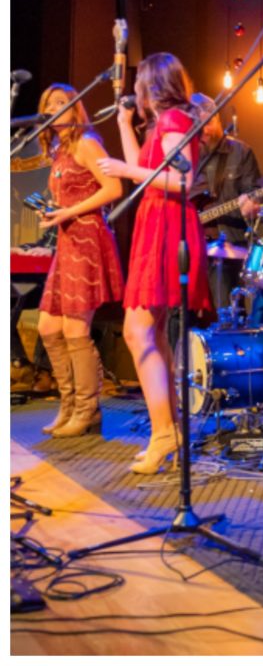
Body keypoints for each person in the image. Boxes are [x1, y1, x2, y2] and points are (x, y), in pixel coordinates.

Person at [98, 53, 212, 474]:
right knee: (153, 330)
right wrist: (125, 126)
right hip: (157, 222)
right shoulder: (165, 124)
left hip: (167, 225)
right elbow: (141, 173)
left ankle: (164, 431)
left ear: (151, 86)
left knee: (136, 329)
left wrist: (127, 165)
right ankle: (169, 428)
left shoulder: (174, 122)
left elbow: (181, 181)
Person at [33, 84, 124, 437]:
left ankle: (87, 409)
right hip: (67, 240)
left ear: (75, 109)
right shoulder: (58, 150)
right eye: (48, 104)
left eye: (60, 103)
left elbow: (113, 188)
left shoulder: (87, 142)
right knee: (48, 327)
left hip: (86, 239)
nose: (54, 108)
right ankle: (69, 403)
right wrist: (53, 213)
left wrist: (69, 210)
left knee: (75, 329)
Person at [190, 93, 263, 309]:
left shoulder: (240, 152)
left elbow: (257, 193)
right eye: (198, 125)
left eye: (208, 122)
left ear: (218, 118)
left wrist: (252, 206)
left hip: (227, 244)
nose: (205, 130)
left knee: (227, 310)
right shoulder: (186, 154)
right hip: (191, 244)